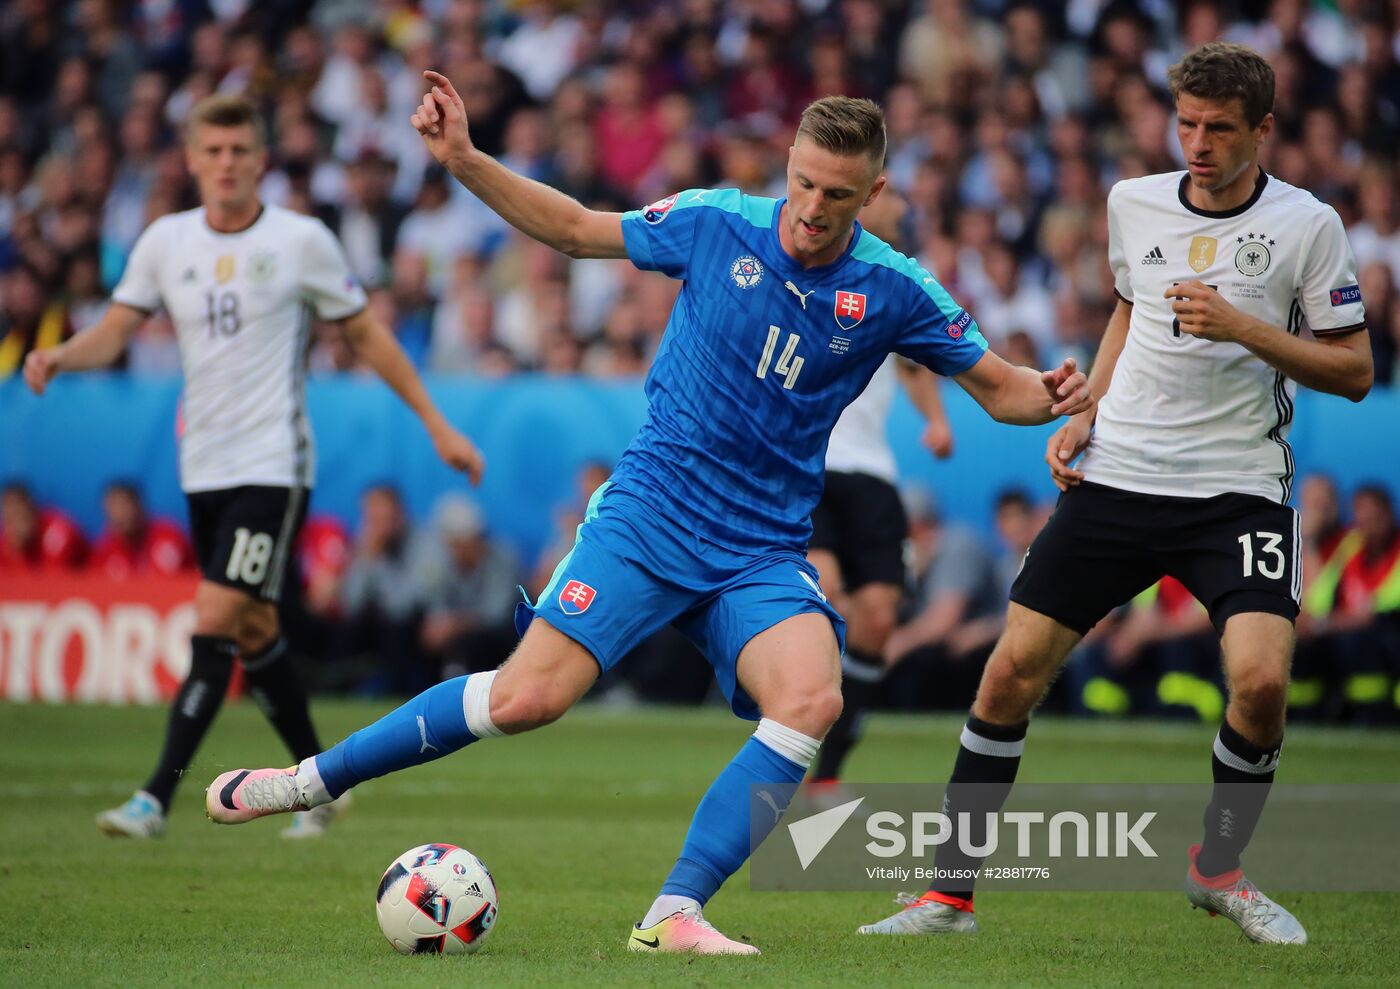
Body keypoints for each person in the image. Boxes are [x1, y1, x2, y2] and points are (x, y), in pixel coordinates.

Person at [204, 71, 1090, 955]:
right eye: (806, 183)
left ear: (876, 193)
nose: (815, 207)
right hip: (650, 515)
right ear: (789, 163)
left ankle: (673, 913)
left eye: (840, 194)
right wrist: (466, 161)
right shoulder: (717, 222)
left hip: (761, 547)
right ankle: (309, 780)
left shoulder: (894, 288)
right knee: (526, 698)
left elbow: (1000, 390)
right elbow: (577, 229)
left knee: (812, 697)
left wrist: (1051, 394)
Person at [859, 42, 1372, 946]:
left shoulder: (1309, 225)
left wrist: (1245, 326)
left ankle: (1219, 869)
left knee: (1259, 683)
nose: (1199, 142)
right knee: (1011, 668)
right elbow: (1130, 306)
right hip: (1121, 474)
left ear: (1263, 128)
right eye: (1186, 124)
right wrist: (1088, 406)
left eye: (1219, 128)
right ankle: (948, 896)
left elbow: (1357, 370)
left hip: (1240, 488)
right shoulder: (1133, 202)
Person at [22, 93, 482, 840]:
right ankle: (321, 784)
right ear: (194, 159)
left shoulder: (300, 241)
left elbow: (365, 335)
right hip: (201, 466)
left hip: (273, 464)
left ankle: (154, 796)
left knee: (216, 617)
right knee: (257, 627)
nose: (228, 163)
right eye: (215, 151)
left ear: (261, 159)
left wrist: (437, 425)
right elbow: (114, 330)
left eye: (241, 151)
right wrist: (59, 355)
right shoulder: (166, 242)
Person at [806, 356, 953, 784]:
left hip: (872, 473)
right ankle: (787, 730)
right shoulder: (790, 289)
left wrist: (937, 420)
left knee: (878, 620)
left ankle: (827, 774)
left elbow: (912, 365)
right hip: (808, 462)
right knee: (822, 593)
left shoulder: (891, 289)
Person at [89, 480, 195, 579]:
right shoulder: (104, 551)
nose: (119, 515)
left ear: (139, 506)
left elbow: (166, 582)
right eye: (113, 508)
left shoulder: (167, 535)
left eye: (124, 506)